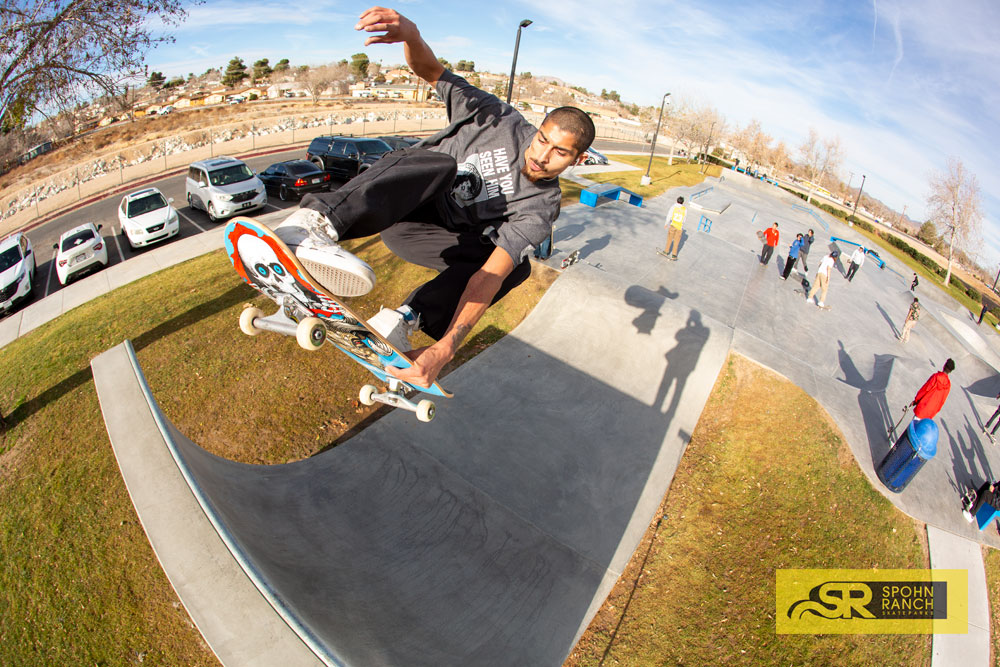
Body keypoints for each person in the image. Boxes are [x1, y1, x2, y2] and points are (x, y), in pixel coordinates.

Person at [272, 6, 595, 389]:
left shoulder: (541, 206)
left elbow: (487, 278)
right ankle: (317, 224)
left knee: (513, 266)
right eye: (543, 139)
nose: (541, 156)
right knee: (442, 164)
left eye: (560, 152)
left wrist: (445, 349)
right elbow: (432, 72)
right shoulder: (497, 119)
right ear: (537, 128)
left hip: (427, 238)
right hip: (405, 203)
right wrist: (412, 36)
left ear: (579, 158)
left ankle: (406, 319)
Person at [662, 196, 686, 260]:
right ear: (682, 202)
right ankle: (674, 255)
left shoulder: (673, 207)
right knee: (676, 241)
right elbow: (684, 219)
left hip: (673, 225)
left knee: (669, 239)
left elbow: (669, 216)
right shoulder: (684, 209)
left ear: (677, 201)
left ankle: (666, 251)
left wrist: (666, 223)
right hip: (679, 227)